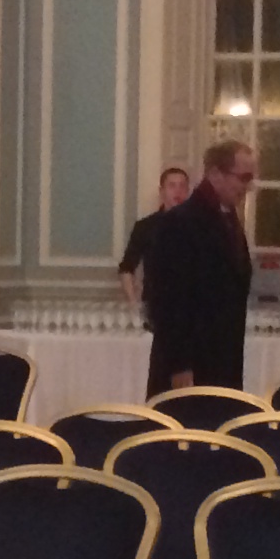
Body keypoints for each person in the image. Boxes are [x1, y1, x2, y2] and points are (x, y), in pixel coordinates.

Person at [140, 141, 253, 394]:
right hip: (188, 367)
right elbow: (168, 300)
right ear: (215, 174)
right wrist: (180, 364)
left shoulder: (228, 219)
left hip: (222, 360)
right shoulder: (179, 223)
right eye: (243, 178)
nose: (248, 187)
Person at [117, 166, 190, 311]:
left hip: (191, 306)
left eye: (182, 186)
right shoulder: (145, 226)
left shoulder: (201, 226)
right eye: (172, 186)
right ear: (161, 191)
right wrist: (133, 302)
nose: (178, 191)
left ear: (188, 191)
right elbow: (127, 267)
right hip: (155, 304)